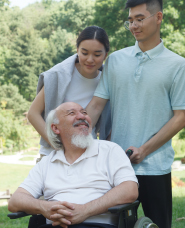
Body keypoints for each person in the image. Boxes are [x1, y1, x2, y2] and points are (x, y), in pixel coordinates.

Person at [86, 0, 185, 227]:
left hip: (156, 167)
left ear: (158, 18)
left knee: (157, 225)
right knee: (112, 224)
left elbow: (181, 116)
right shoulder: (115, 61)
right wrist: (73, 134)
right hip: (116, 166)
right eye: (130, 20)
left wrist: (145, 150)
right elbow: (96, 105)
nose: (133, 25)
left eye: (140, 19)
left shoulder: (178, 65)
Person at [8, 102, 138, 228]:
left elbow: (130, 190)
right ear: (55, 128)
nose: (82, 116)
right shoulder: (47, 163)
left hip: (98, 224)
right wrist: (45, 208)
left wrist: (85, 211)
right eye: (71, 113)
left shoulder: (109, 150)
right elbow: (15, 201)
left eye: (84, 112)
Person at [28, 26, 111, 160]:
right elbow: (33, 113)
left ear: (105, 55)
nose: (90, 59)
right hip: (53, 153)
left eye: (97, 55)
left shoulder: (107, 81)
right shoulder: (58, 75)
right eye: (84, 53)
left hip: (87, 154)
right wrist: (58, 146)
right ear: (77, 50)